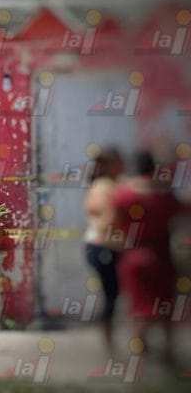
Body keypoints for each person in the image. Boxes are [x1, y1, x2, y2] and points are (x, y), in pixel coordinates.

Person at [113, 150, 182, 363]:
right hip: (162, 258)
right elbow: (181, 213)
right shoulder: (164, 197)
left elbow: (114, 224)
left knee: (140, 309)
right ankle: (169, 352)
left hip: (134, 257)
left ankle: (139, 352)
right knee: (166, 308)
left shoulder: (124, 196)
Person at [83, 147, 125, 352]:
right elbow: (106, 220)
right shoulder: (103, 187)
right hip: (103, 247)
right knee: (111, 294)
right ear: (110, 165)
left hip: (107, 246)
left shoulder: (112, 184)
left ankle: (113, 341)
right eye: (119, 162)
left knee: (115, 294)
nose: (123, 165)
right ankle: (109, 344)